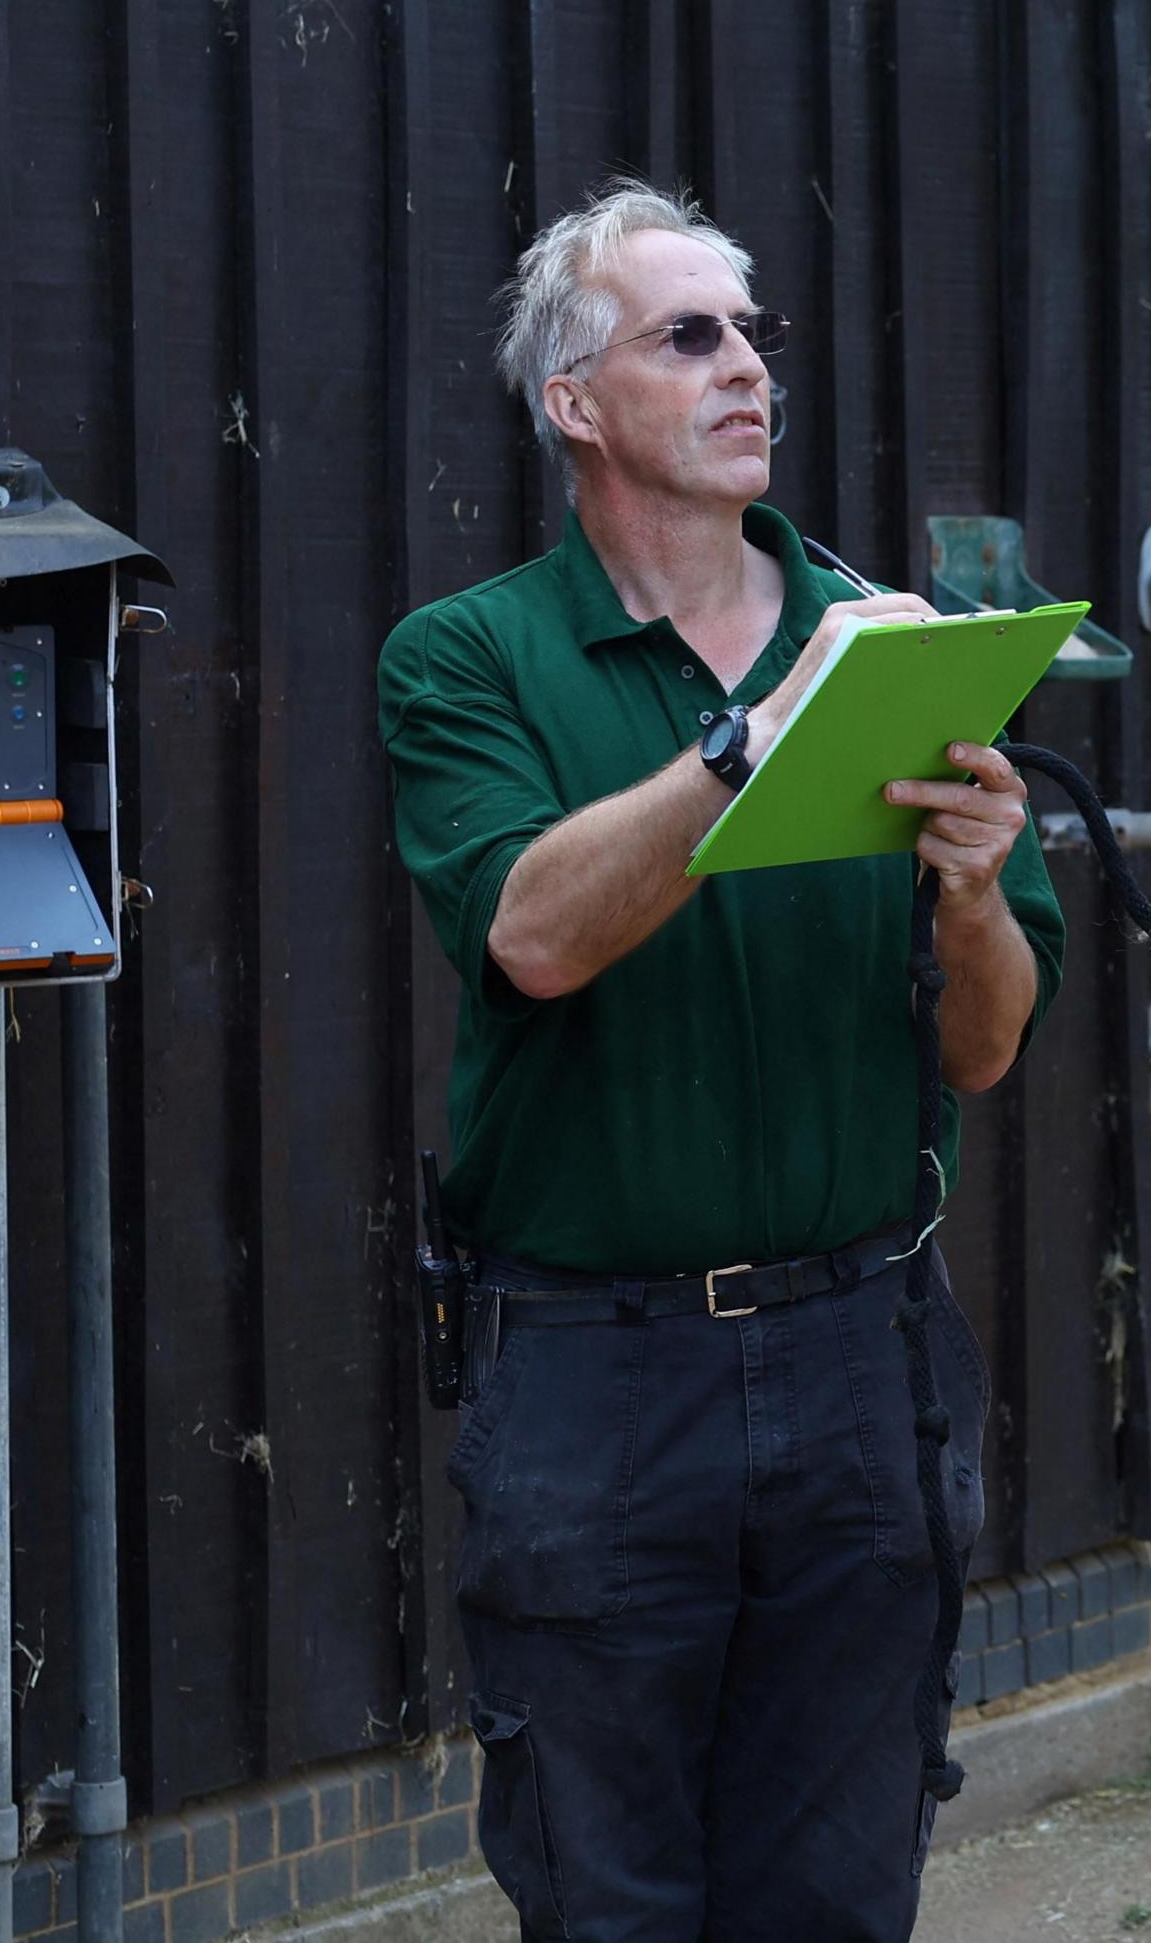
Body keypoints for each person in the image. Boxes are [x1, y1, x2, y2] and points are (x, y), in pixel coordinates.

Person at [376, 179, 1061, 1939]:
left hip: (864, 1360)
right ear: (575, 404)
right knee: (606, 1902)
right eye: (690, 336)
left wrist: (978, 900)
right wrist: (757, 737)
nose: (748, 366)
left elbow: (985, 1052)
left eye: (752, 333)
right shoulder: (469, 658)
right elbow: (531, 935)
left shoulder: (903, 646)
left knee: (834, 1898)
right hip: (597, 1383)